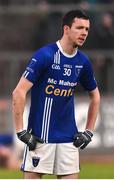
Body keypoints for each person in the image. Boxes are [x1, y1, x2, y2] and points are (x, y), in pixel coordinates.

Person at [12, 10, 100, 179]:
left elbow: (95, 96)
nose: (84, 33)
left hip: (69, 139)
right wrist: (20, 131)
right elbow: (18, 92)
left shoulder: (83, 62)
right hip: (39, 138)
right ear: (66, 29)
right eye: (79, 28)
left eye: (87, 29)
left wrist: (89, 131)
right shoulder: (45, 55)